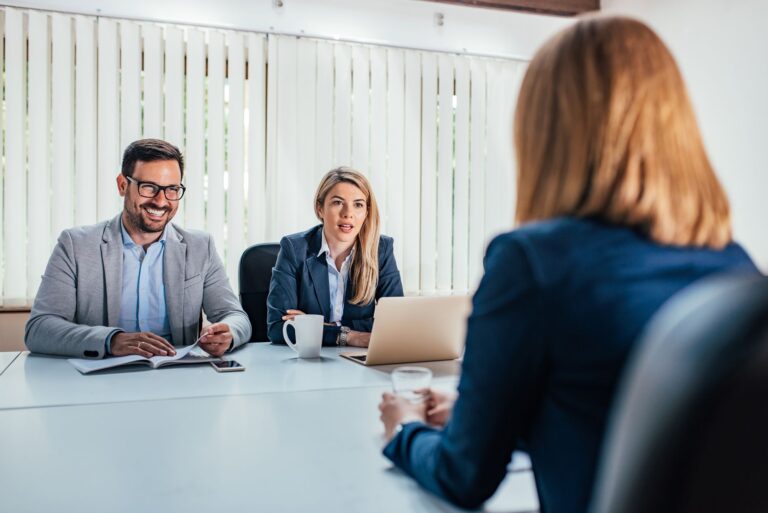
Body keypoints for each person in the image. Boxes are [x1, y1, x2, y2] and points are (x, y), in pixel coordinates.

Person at [378, 16, 760, 513]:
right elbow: (633, 430)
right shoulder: (735, 266)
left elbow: (463, 475)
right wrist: (496, 419)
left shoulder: (532, 263)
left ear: (544, 132)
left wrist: (403, 430)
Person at [25, 138, 251, 359]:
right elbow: (39, 329)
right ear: (123, 185)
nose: (161, 201)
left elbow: (235, 316)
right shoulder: (76, 245)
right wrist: (111, 340)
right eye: (149, 187)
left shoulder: (200, 247)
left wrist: (228, 333)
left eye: (172, 189)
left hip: (177, 379)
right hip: (101, 380)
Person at [267, 167, 403, 347]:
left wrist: (314, 326)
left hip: (360, 361)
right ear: (320, 208)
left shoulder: (381, 250)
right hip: (309, 361)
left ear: (367, 212)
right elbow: (278, 327)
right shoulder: (294, 249)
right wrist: (350, 336)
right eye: (338, 202)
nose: (348, 213)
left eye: (358, 204)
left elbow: (396, 325)